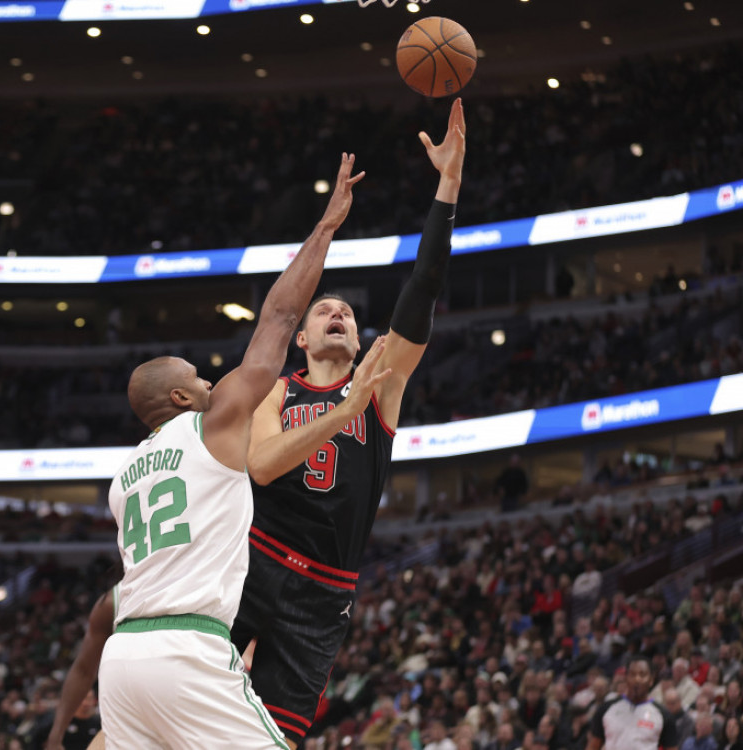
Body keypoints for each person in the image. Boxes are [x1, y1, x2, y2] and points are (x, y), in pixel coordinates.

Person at [97, 153, 379, 749]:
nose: (211, 382)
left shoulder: (124, 478)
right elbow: (279, 316)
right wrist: (326, 227)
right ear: (181, 397)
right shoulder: (215, 423)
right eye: (199, 378)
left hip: (121, 660)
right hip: (187, 647)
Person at [230, 97, 466, 747]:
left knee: (275, 739)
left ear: (359, 340)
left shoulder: (380, 383)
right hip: (253, 563)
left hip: (324, 588)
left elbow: (423, 288)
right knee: (171, 703)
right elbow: (262, 465)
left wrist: (448, 185)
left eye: (347, 313)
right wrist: (343, 410)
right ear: (303, 339)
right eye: (324, 311)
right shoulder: (277, 391)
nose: (337, 313)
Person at [44, 588, 114, 750]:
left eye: (89, 699)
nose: (87, 703)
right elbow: (83, 671)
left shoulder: (98, 723)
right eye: (84, 698)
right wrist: (55, 737)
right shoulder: (111, 602)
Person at [587, 655, 677, 750]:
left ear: (651, 680)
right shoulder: (606, 709)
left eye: (642, 675)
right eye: (632, 674)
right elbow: (593, 746)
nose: (637, 679)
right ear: (626, 678)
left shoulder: (663, 716)